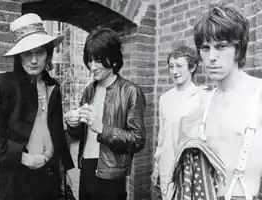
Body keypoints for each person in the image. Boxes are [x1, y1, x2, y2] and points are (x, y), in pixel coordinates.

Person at [0, 13, 74, 200]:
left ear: (48, 54)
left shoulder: (53, 85)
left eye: (39, 52)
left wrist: (64, 169)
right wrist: (26, 159)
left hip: (48, 176)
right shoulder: (4, 86)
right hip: (16, 178)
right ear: (19, 56)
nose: (34, 60)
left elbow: (56, 131)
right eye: (27, 53)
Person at [190, 3, 262, 200]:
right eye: (205, 48)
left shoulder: (259, 95)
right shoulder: (203, 101)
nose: (211, 57)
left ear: (238, 49)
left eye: (221, 46)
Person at [65, 27, 146, 200]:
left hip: (112, 173)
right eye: (90, 60)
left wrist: (101, 128)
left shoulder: (130, 91)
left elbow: (138, 139)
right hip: (86, 167)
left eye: (98, 60)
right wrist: (74, 124)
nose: (92, 66)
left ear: (113, 58)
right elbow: (81, 134)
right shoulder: (89, 90)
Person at [151, 45, 205, 200]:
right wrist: (157, 166)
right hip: (167, 166)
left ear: (192, 67)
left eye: (179, 66)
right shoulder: (165, 99)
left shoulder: (201, 97)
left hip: (190, 169)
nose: (174, 71)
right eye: (171, 66)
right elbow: (162, 136)